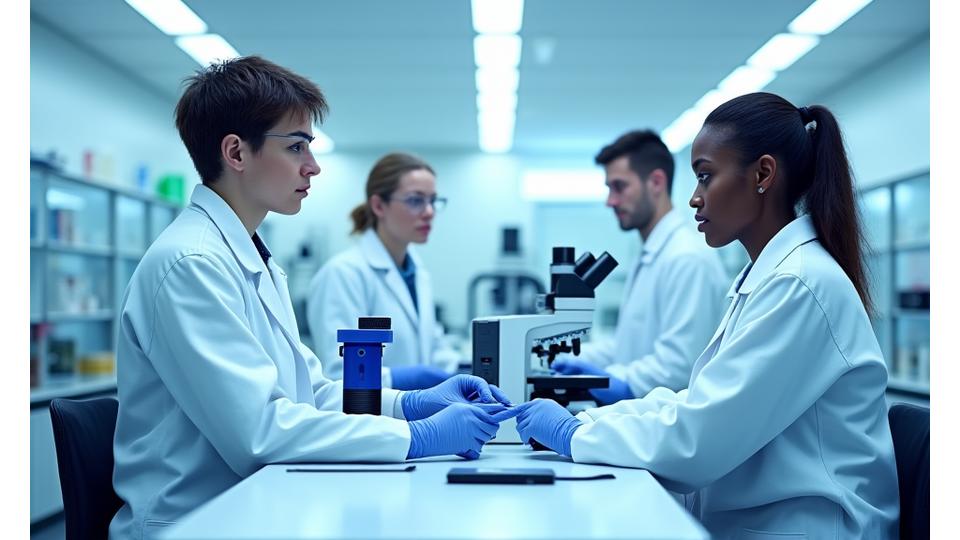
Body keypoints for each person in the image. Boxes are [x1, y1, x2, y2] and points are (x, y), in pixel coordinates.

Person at [110, 56, 510, 540]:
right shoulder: (190, 264)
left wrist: (411, 403)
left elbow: (312, 391)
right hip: (198, 522)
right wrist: (417, 437)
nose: (313, 166)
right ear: (236, 153)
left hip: (255, 506)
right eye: (297, 146)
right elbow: (260, 432)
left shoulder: (251, 258)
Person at [513, 92, 900, 538]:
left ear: (762, 174)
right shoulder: (771, 277)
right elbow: (698, 400)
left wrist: (574, 435)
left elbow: (701, 438)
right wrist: (585, 422)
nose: (695, 199)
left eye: (705, 177)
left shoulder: (800, 283)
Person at [551, 130, 728, 405]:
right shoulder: (652, 254)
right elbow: (626, 347)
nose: (610, 201)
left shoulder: (687, 258)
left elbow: (678, 366)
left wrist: (609, 380)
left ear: (656, 182)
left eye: (619, 187)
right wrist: (562, 359)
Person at [307, 153, 460, 390]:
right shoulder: (343, 274)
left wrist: (466, 372)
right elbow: (339, 372)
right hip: (371, 421)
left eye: (433, 200)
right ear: (379, 206)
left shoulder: (416, 272)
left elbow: (433, 346)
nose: (429, 211)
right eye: (415, 200)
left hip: (419, 417)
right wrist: (402, 379)